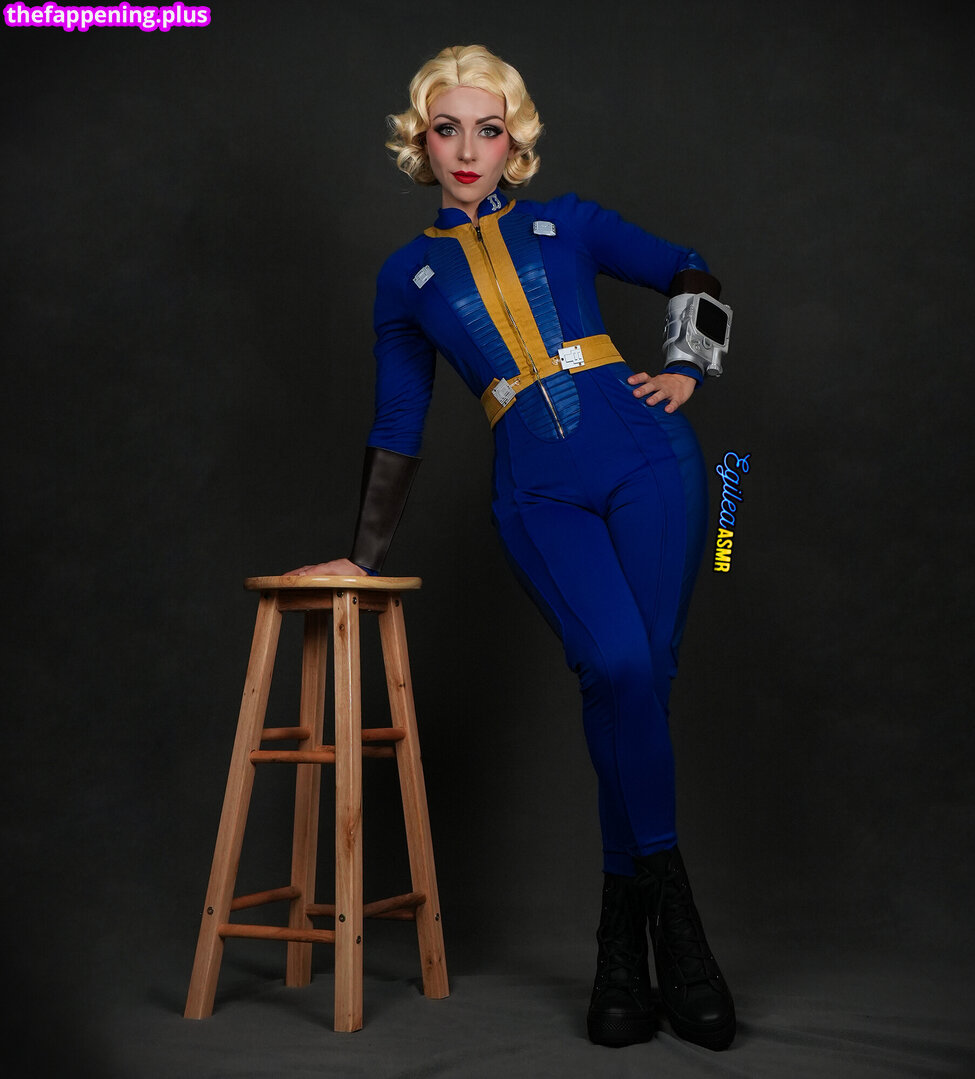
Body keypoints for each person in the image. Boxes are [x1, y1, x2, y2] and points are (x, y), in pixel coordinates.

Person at [288, 44, 736, 1051]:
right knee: (616, 667)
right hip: (536, 490)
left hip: (651, 459)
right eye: (446, 128)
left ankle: (624, 947)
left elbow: (689, 263)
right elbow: (398, 422)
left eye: (487, 129)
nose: (466, 149)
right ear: (420, 141)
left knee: (645, 679)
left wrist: (689, 367)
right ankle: (676, 927)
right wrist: (363, 554)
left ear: (513, 140)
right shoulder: (404, 277)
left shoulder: (568, 220)